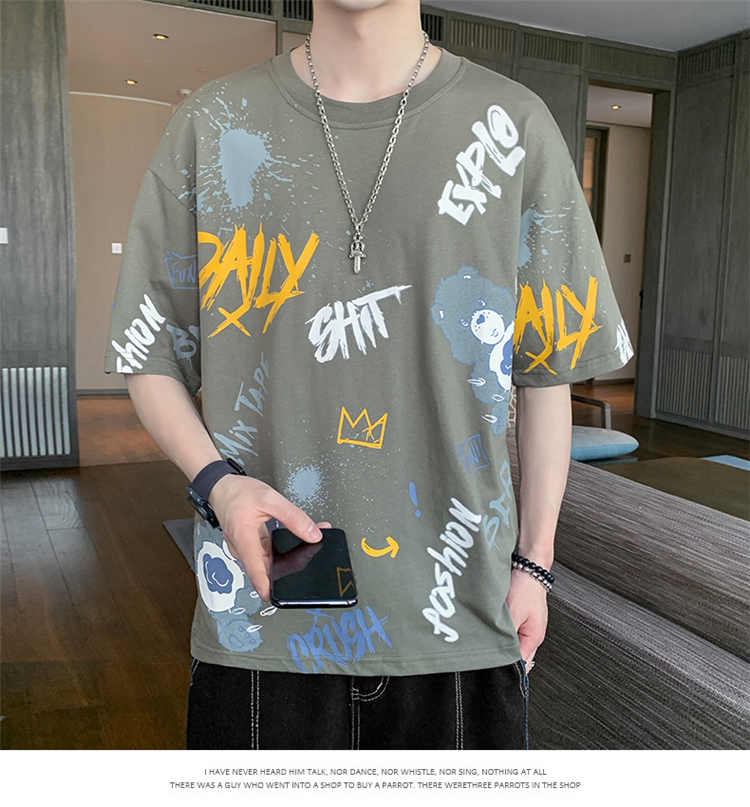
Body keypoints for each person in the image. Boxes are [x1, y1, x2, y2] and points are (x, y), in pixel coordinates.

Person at [105, 0, 632, 750]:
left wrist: (535, 565)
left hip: (462, 617)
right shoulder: (213, 123)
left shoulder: (513, 126)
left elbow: (547, 367)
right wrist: (219, 485)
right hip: (261, 618)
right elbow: (149, 348)